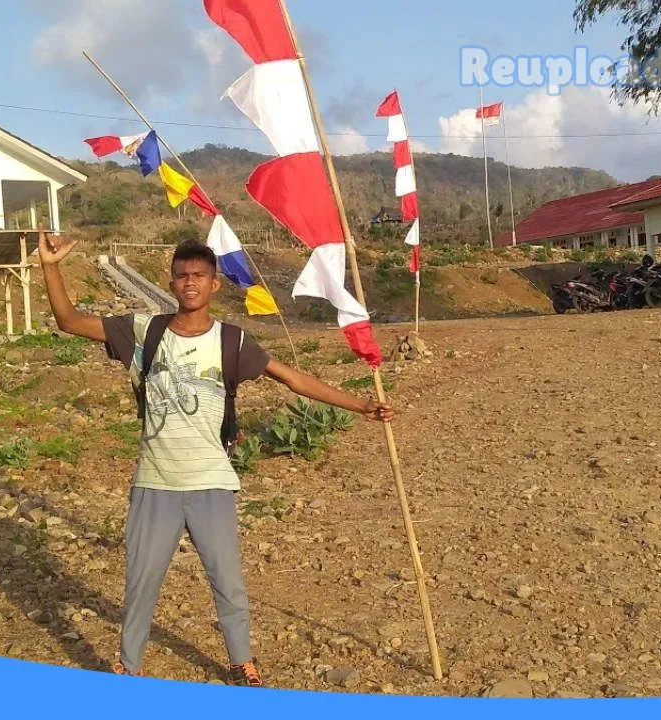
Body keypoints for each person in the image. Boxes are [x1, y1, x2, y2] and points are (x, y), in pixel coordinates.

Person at [36, 231, 393, 687]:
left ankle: (240, 663)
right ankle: (129, 665)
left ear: (214, 285)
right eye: (182, 275)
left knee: (228, 583)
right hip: (155, 483)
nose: (189, 283)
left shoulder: (232, 341)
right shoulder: (143, 331)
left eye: (199, 276)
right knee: (141, 584)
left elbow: (293, 379)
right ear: (171, 281)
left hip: (211, 482)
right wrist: (50, 266)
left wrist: (360, 405)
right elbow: (69, 321)